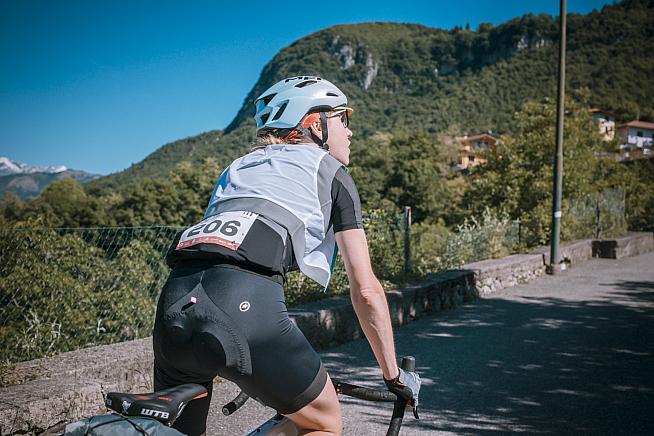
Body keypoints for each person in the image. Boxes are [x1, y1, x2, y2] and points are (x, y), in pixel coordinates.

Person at [152, 76, 420, 436]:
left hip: (173, 307)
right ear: (315, 124)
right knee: (324, 422)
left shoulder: (236, 169)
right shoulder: (330, 172)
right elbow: (366, 291)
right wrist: (393, 375)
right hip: (244, 309)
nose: (350, 131)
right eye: (342, 118)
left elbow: (220, 254)